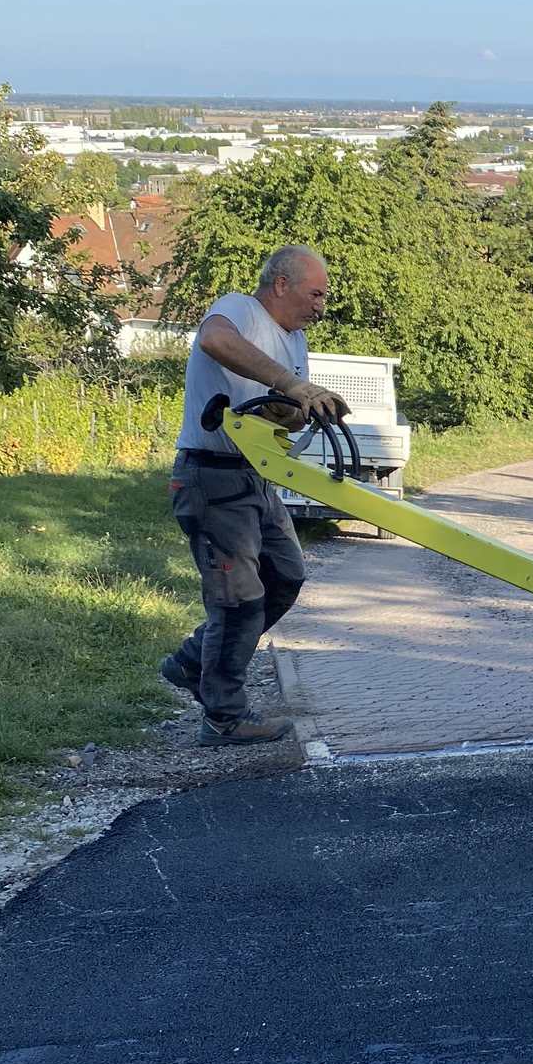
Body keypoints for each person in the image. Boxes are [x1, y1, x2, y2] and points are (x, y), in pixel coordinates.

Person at [163, 245, 349, 745]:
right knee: (238, 601)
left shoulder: (298, 341)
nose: (320, 305)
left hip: (255, 477)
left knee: (285, 575)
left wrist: (295, 409)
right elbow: (214, 341)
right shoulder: (241, 310)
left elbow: (286, 412)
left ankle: (190, 662)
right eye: (315, 293)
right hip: (212, 476)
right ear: (281, 284)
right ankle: (224, 716)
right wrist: (289, 384)